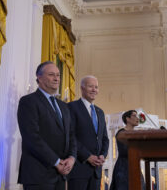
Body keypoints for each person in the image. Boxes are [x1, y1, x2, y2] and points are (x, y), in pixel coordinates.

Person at [17, 61, 77, 190]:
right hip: (38, 174)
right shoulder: (28, 102)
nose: (56, 79)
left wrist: (71, 158)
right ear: (39, 77)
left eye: (58, 75)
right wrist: (56, 162)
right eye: (51, 75)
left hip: (61, 175)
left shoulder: (64, 106)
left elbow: (71, 135)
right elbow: (32, 138)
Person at [67, 75, 109, 190]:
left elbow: (105, 138)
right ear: (82, 88)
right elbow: (71, 136)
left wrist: (103, 155)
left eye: (96, 87)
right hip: (79, 168)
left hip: (96, 171)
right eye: (91, 86)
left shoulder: (100, 112)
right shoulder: (71, 107)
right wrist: (88, 156)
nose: (94, 90)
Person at [110, 110, 145, 190]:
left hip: (135, 167)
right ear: (127, 119)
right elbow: (124, 151)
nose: (137, 118)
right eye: (134, 115)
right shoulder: (121, 133)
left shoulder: (136, 134)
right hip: (123, 168)